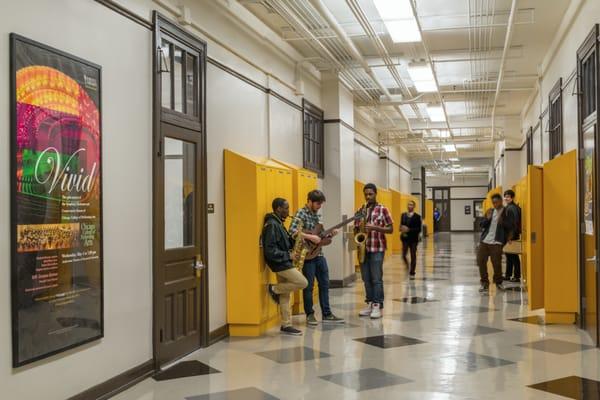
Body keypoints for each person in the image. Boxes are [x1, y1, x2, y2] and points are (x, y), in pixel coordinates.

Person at [289, 190, 345, 325]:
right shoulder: (301, 213)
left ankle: (327, 314)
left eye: (321, 204)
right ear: (309, 201)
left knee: (325, 284)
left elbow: (320, 237)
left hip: (319, 254)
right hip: (307, 255)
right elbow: (292, 231)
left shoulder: (316, 215)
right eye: (318, 203)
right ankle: (310, 314)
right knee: (308, 286)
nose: (320, 206)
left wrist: (331, 234)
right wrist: (310, 237)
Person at [262, 198, 309, 336]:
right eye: (286, 208)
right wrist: (288, 256)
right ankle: (273, 288)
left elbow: (283, 243)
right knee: (302, 282)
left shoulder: (278, 223)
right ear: (278, 209)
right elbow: (270, 251)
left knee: (285, 295)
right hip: (280, 263)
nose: (288, 211)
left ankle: (286, 324)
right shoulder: (272, 224)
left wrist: (295, 238)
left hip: (282, 261)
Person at [355, 183, 394, 319]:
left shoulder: (383, 209)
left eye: (370, 194)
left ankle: (377, 305)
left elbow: (390, 229)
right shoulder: (361, 210)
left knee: (376, 278)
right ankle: (370, 303)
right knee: (366, 278)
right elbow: (355, 229)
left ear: (376, 194)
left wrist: (375, 227)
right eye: (366, 194)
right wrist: (359, 226)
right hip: (363, 247)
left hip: (377, 248)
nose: (368, 196)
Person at [477, 193, 514, 293]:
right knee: (480, 261)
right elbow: (481, 224)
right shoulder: (490, 211)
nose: (494, 204)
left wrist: (508, 238)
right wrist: (487, 219)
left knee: (497, 264)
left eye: (496, 202)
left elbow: (511, 226)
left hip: (497, 242)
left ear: (501, 201)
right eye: (493, 202)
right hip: (484, 241)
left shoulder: (506, 212)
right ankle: (484, 283)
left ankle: (498, 282)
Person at [503, 190, 522, 283]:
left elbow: (514, 223)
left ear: (512, 197)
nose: (506, 198)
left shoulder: (512, 208)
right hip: (510, 235)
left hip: (512, 235)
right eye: (505, 196)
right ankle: (508, 275)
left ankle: (517, 276)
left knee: (513, 256)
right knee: (509, 255)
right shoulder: (510, 207)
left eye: (508, 197)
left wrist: (510, 237)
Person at [400, 200, 422, 279]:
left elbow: (419, 229)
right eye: (408, 204)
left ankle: (412, 272)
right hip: (405, 238)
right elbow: (401, 226)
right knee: (403, 255)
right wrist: (401, 229)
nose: (409, 206)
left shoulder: (417, 216)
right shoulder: (403, 215)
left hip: (413, 239)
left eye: (411, 205)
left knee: (413, 256)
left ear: (414, 206)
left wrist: (409, 230)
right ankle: (407, 265)